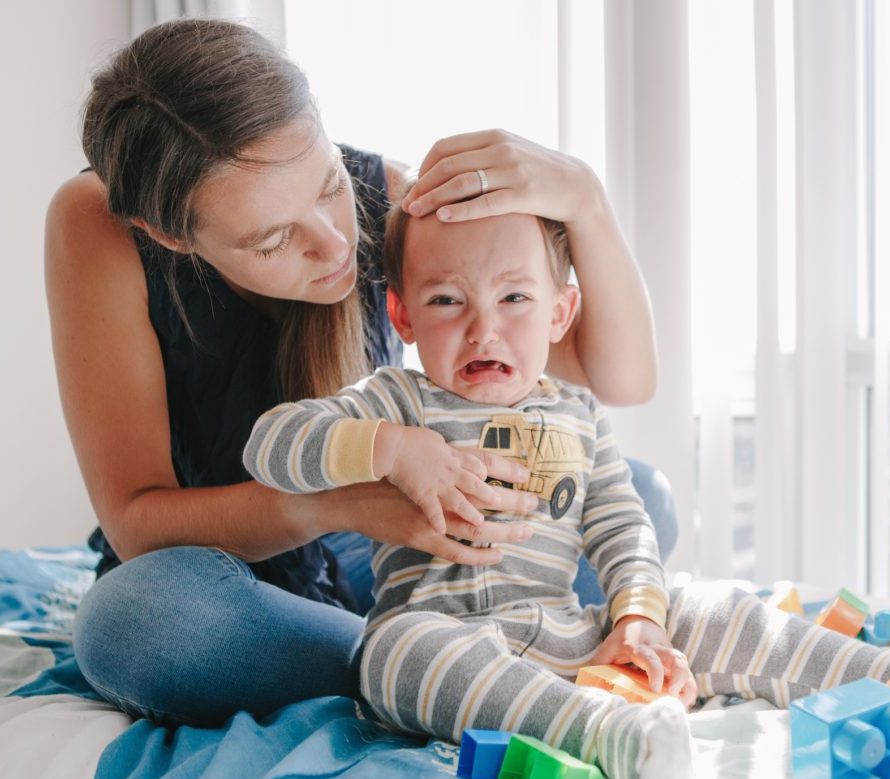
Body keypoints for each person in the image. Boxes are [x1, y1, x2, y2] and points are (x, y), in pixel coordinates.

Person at [243, 197, 890, 779]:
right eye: (446, 301)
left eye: (514, 297)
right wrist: (387, 448)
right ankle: (603, 734)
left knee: (704, 605)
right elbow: (270, 446)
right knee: (392, 651)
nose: (483, 330)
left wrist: (639, 620)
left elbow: (620, 524)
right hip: (446, 638)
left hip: (565, 633)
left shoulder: (577, 413)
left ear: (559, 313)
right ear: (402, 315)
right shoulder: (395, 399)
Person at [48, 18, 667, 728]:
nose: (336, 242)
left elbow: (619, 379)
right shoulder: (96, 222)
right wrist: (339, 502)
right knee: (136, 622)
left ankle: (442, 665)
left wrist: (585, 200)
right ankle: (423, 663)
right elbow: (135, 523)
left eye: (328, 183)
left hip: (378, 557)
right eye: (275, 239)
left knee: (642, 498)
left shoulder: (398, 199)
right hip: (232, 571)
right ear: (169, 236)